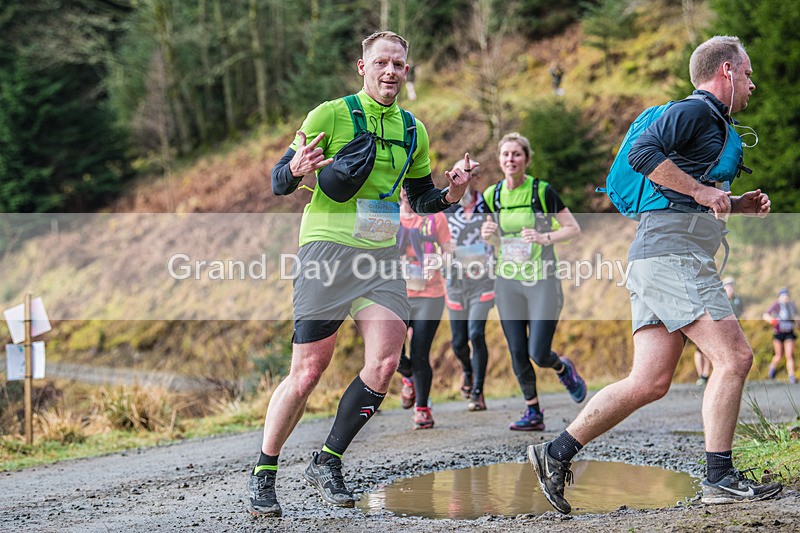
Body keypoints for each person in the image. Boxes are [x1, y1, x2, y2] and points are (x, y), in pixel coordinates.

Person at [529, 36, 782, 515]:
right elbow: (642, 153)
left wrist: (736, 204)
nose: (752, 84)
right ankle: (719, 476)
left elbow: (689, 194)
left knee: (649, 381)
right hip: (672, 255)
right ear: (726, 71)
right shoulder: (697, 111)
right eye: (747, 74)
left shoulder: (714, 123)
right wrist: (704, 193)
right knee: (735, 357)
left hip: (659, 253)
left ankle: (554, 453)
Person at [254, 30, 476, 517]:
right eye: (381, 63)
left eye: (399, 64)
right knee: (308, 371)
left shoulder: (414, 130)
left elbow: (420, 199)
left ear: (407, 70)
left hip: (379, 258)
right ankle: (264, 473)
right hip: (327, 251)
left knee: (384, 362)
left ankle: (327, 460)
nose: (390, 71)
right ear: (363, 66)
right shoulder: (329, 114)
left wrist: (453, 190)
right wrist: (295, 168)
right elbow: (277, 182)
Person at [480, 132, 586, 432]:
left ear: (526, 158)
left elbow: (573, 227)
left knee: (538, 352)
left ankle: (563, 368)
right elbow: (492, 236)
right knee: (516, 349)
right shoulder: (492, 195)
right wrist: (489, 236)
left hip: (542, 279)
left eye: (516, 154)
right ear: (499, 160)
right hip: (508, 281)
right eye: (505, 155)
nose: (510, 159)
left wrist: (544, 237)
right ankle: (533, 412)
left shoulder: (541, 191)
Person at [394, 187, 453, 428]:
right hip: (396, 295)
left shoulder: (435, 216)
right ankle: (408, 378)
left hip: (430, 294)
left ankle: (422, 409)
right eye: (405, 186)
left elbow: (450, 251)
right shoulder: (389, 216)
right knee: (391, 354)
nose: (409, 190)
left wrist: (439, 260)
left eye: (413, 185)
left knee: (419, 353)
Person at [443, 159, 495, 411]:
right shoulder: (445, 205)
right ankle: (467, 371)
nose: (465, 179)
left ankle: (478, 392)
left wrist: (493, 236)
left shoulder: (488, 205)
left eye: (471, 174)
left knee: (476, 333)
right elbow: (430, 238)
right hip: (454, 281)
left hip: (482, 279)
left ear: (476, 177)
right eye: (459, 174)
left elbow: (501, 236)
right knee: (458, 342)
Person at [694, 276, 743, 385]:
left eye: (731, 286)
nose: (730, 288)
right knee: (701, 350)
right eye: (728, 286)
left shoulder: (737, 300)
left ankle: (708, 375)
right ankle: (702, 375)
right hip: (709, 327)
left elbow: (741, 314)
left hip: (728, 329)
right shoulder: (716, 298)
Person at [762, 287, 797, 384]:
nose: (785, 297)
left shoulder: (792, 305)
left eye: (786, 295)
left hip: (789, 333)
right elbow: (765, 315)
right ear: (780, 297)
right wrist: (773, 321)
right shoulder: (776, 305)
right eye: (783, 295)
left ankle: (791, 376)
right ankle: (772, 367)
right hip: (778, 333)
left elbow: (796, 316)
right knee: (779, 355)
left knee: (789, 355)